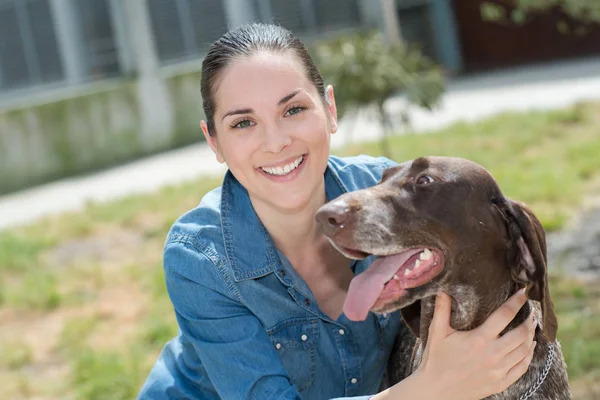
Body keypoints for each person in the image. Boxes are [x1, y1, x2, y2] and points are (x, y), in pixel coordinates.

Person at [137, 23, 536, 400]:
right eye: (243, 123)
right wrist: (430, 389)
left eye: (293, 110)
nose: (276, 142)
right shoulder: (199, 258)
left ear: (329, 109)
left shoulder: (381, 191)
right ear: (215, 142)